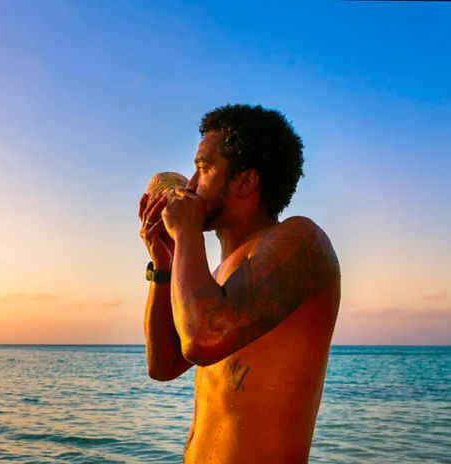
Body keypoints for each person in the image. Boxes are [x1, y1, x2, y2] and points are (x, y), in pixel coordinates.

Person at [138, 104, 341, 463]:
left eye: (204, 168)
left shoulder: (301, 240)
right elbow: (164, 365)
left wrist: (186, 233)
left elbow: (203, 339)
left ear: (246, 181)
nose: (190, 185)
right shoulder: (216, 281)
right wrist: (164, 264)